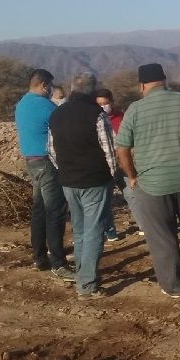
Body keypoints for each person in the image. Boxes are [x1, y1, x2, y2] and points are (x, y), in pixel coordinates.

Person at [115, 63, 180, 298]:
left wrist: (132, 177)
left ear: (142, 85)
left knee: (163, 237)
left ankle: (175, 286)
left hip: (153, 184)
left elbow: (122, 150)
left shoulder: (135, 110)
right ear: (164, 80)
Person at [48, 71, 116, 301]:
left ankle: (81, 274)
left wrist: (65, 171)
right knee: (94, 230)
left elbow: (52, 151)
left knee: (79, 230)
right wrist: (112, 175)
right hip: (95, 181)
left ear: (72, 88)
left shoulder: (56, 114)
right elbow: (109, 151)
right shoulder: (97, 114)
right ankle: (87, 285)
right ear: (94, 89)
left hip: (68, 181)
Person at [14, 69, 75, 282]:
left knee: (39, 209)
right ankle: (59, 263)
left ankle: (39, 257)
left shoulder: (22, 104)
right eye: (50, 86)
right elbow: (64, 127)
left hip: (32, 162)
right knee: (54, 212)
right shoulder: (46, 106)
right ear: (44, 85)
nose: (51, 90)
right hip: (47, 162)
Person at [95, 88, 125, 241]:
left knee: (131, 195)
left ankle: (143, 224)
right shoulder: (95, 119)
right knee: (104, 200)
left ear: (112, 102)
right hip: (103, 164)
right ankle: (109, 230)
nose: (103, 107)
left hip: (122, 162)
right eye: (100, 104)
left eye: (105, 103)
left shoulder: (121, 117)